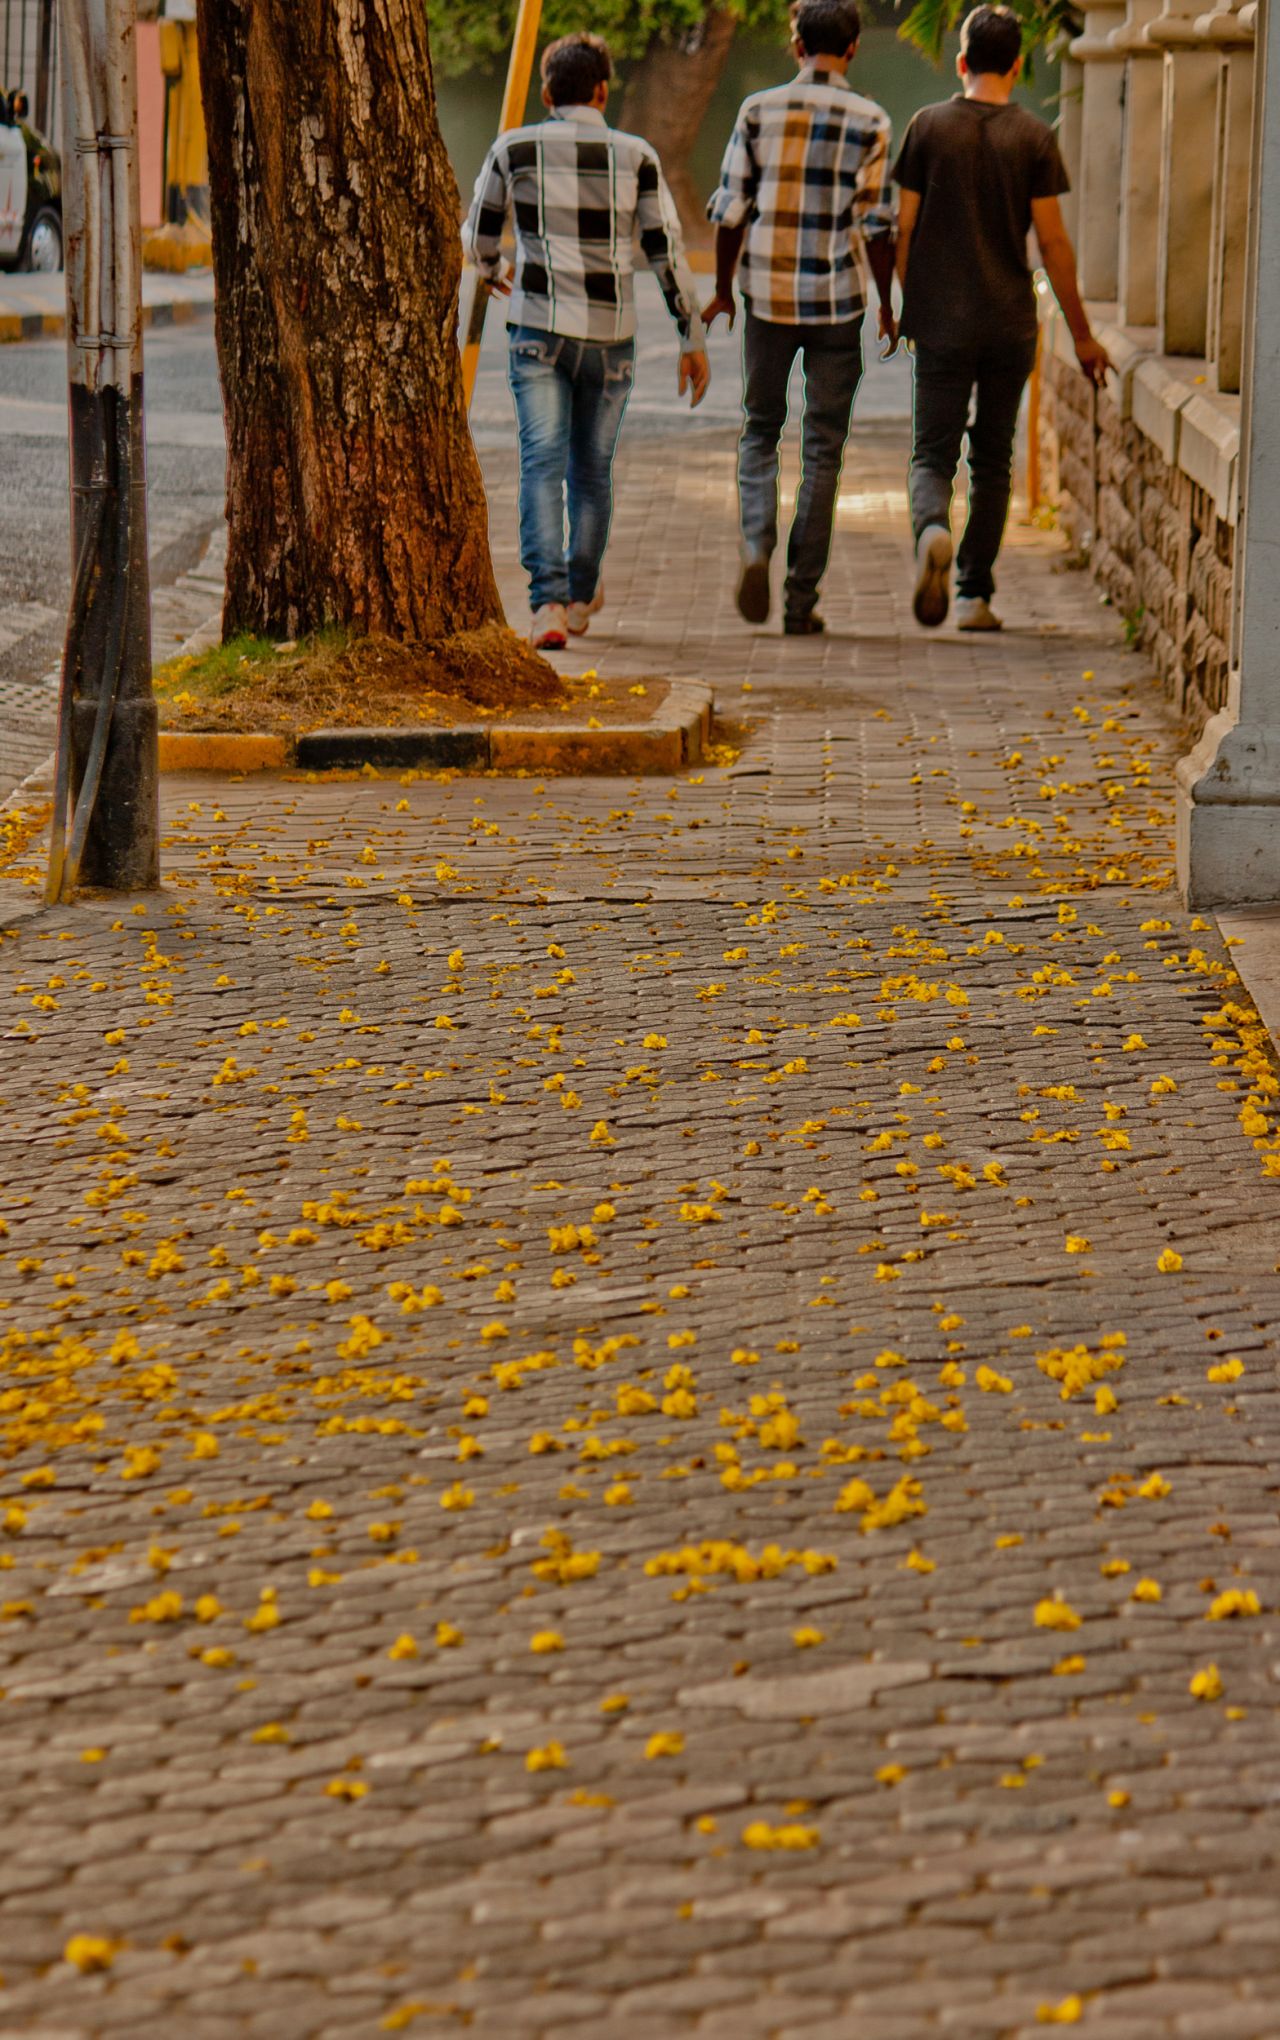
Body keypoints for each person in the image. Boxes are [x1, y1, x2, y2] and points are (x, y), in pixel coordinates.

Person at [464, 32, 709, 652]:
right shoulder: (638, 156)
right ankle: (580, 597)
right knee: (592, 471)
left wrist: (495, 272)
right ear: (603, 91)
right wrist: (691, 335)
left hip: (538, 331)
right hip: (611, 339)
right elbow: (666, 253)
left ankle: (545, 604)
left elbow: (478, 238)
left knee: (541, 465)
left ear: (547, 92)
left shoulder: (513, 148)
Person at [893, 3, 1111, 632]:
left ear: (962, 61)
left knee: (932, 455)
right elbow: (1053, 244)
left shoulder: (927, 127)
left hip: (940, 322)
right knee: (992, 460)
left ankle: (932, 529)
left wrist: (908, 302)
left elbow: (901, 228)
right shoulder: (1034, 137)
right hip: (1009, 322)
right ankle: (971, 594)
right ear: (1018, 65)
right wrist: (1084, 335)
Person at [704, 0, 895, 636]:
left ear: (795, 46)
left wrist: (724, 290)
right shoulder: (872, 119)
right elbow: (876, 225)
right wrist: (889, 305)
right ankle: (799, 600)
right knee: (823, 451)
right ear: (854, 48)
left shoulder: (758, 110)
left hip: (767, 298)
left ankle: (756, 541)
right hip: (838, 303)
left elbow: (731, 209)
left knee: (760, 430)